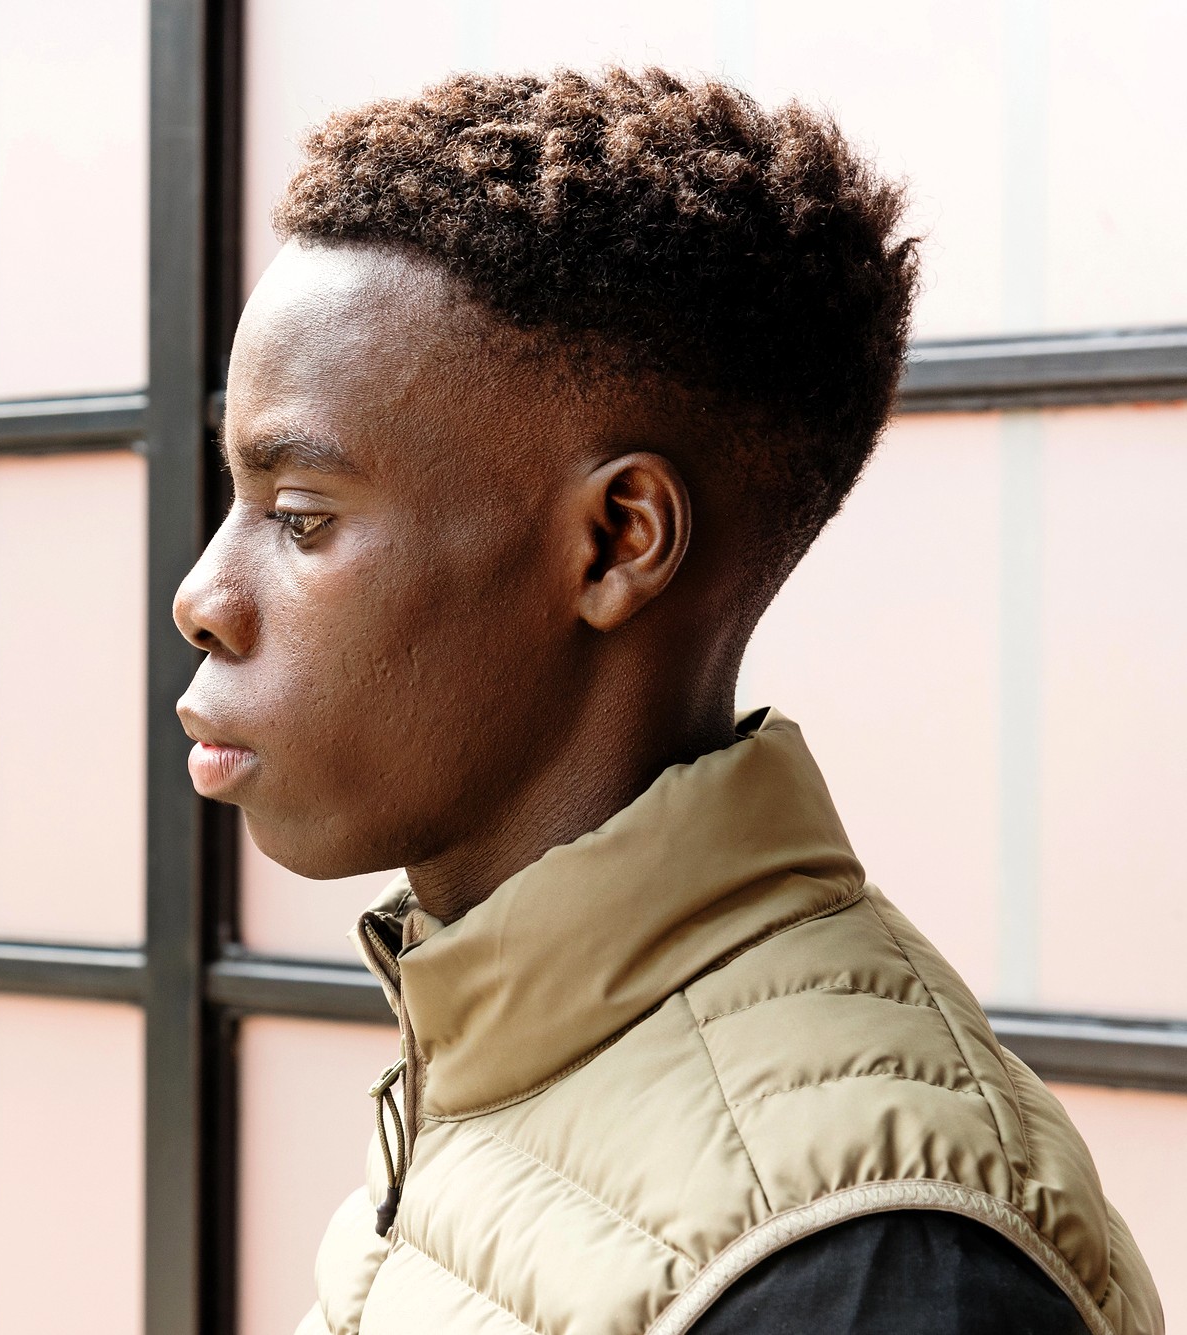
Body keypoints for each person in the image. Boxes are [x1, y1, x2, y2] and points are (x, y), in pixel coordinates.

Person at [172, 68, 1161, 1335]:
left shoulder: (866, 1265)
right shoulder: (500, 1048)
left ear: (613, 543)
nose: (202, 595)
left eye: (299, 518)